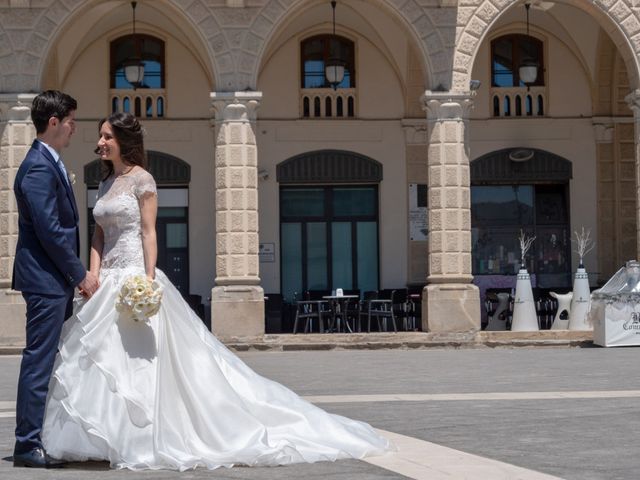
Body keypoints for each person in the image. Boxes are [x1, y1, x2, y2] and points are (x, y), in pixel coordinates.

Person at [41, 112, 392, 470]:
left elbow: (148, 232)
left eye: (106, 137)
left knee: (138, 363)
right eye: (100, 137)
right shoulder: (103, 184)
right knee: (100, 359)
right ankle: (104, 436)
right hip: (106, 281)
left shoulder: (142, 180)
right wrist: (93, 275)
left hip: (134, 276)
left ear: (123, 141)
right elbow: (99, 233)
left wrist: (147, 280)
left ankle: (144, 437)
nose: (99, 143)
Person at [12, 90, 99, 468]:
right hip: (45, 281)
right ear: (54, 122)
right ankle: (27, 444)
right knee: (40, 361)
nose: (74, 129)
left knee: (53, 361)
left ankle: (45, 435)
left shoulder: (50, 162)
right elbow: (48, 229)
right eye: (70, 122)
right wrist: (79, 273)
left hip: (53, 280)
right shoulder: (37, 167)